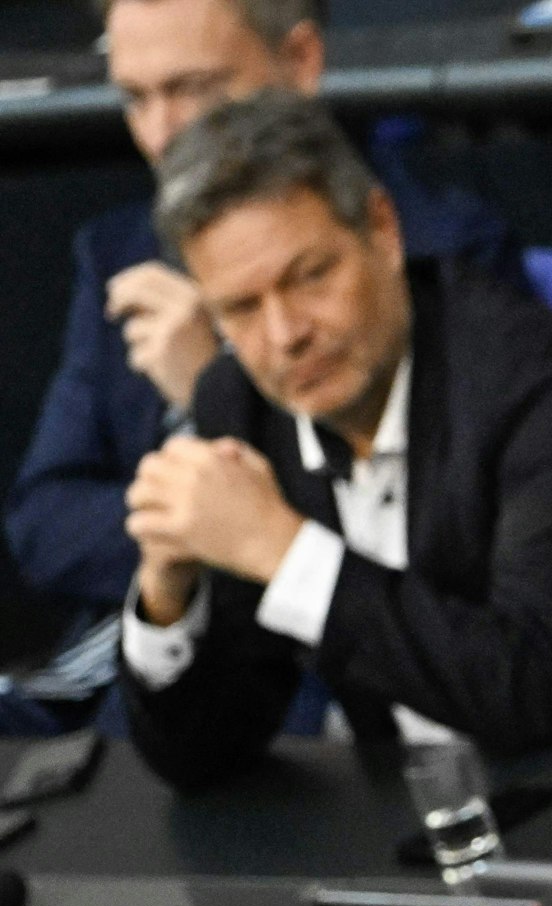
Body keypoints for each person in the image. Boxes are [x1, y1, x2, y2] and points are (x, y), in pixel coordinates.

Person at [119, 90, 552, 786]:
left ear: (383, 232)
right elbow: (204, 758)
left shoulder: (541, 388)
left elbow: (524, 691)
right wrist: (167, 595)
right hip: (447, 824)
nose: (286, 333)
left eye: (311, 276)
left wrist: (284, 551)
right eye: (240, 307)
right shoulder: (241, 408)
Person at [2, 0, 517, 735]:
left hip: (304, 710)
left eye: (195, 90)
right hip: (111, 670)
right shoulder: (118, 249)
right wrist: (201, 532)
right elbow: (44, 522)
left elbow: (447, 556)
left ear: (300, 62)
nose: (159, 134)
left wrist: (223, 393)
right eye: (135, 98)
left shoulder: (438, 251)